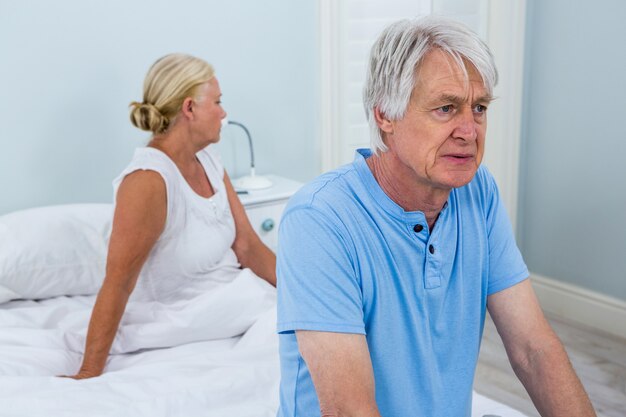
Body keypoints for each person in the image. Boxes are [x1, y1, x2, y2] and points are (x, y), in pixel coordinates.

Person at [276, 16, 596, 417]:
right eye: (446, 108)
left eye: (479, 108)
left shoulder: (478, 192)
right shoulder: (319, 219)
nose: (469, 130)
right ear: (384, 116)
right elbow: (350, 410)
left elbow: (533, 349)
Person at [68, 53, 276, 379]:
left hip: (235, 302)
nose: (224, 113)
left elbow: (248, 246)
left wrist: (306, 291)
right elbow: (118, 282)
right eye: (218, 102)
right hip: (184, 318)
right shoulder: (148, 181)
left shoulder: (208, 159)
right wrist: (88, 371)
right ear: (189, 108)